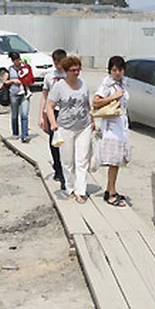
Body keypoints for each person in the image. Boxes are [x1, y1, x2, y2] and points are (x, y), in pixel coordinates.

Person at [46, 56, 94, 203]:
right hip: (65, 127)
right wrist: (53, 123)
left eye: (78, 69)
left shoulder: (84, 84)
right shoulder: (59, 86)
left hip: (83, 126)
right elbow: (50, 106)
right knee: (67, 160)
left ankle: (81, 190)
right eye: (73, 70)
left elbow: (87, 103)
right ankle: (70, 187)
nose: (76, 73)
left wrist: (92, 120)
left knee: (82, 159)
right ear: (66, 71)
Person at [92, 55, 131, 207]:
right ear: (109, 71)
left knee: (118, 161)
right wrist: (113, 97)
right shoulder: (107, 84)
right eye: (114, 70)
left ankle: (110, 189)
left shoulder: (124, 83)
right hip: (111, 128)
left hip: (122, 126)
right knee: (114, 162)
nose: (117, 73)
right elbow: (95, 102)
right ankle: (111, 194)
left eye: (120, 69)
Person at [39, 48, 67, 190]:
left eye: (60, 62)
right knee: (53, 143)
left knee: (65, 145)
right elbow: (44, 96)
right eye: (55, 62)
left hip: (67, 114)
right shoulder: (49, 77)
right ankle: (57, 168)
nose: (58, 65)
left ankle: (64, 175)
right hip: (53, 113)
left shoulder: (70, 75)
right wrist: (41, 116)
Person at [3, 50, 33, 143]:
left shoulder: (25, 68)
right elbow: (5, 82)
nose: (18, 62)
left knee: (24, 115)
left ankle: (25, 135)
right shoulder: (10, 69)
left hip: (24, 93)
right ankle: (15, 133)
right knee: (15, 115)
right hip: (14, 94)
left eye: (19, 59)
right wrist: (13, 81)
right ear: (13, 61)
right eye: (15, 60)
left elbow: (31, 79)